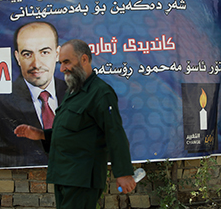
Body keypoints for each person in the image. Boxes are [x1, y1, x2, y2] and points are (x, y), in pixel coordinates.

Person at [14, 39, 136, 208]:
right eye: (61, 63)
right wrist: (41, 134)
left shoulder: (100, 93)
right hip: (64, 176)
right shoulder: (74, 92)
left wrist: (123, 173)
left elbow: (114, 132)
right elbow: (73, 132)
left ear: (84, 59)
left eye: (66, 62)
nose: (62, 68)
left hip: (82, 179)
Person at [0, 21, 67, 169]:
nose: (36, 63)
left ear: (57, 54)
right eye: (27, 54)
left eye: (45, 52)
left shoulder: (77, 92)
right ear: (17, 58)